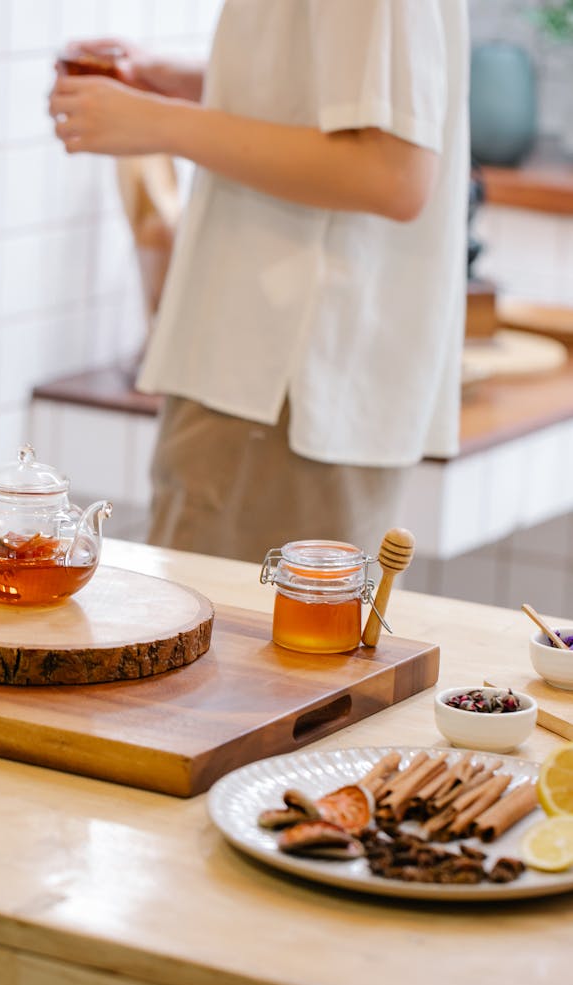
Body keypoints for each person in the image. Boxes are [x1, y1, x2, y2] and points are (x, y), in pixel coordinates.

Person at [49, 0, 470, 563]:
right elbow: (345, 103)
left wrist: (159, 123)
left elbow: (392, 174)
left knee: (229, 643)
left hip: (283, 384)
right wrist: (185, 85)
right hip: (278, 382)